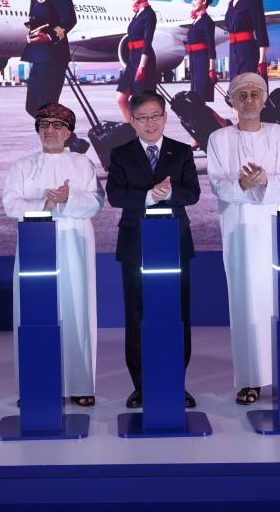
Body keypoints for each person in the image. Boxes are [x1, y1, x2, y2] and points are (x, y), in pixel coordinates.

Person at [207, 73, 280, 405]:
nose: (248, 101)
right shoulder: (219, 139)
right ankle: (249, 379)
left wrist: (264, 181)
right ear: (231, 100)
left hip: (278, 226)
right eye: (241, 95)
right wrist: (243, 186)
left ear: (264, 100)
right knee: (245, 298)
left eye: (254, 95)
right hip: (239, 227)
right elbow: (218, 183)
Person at [2, 102, 105, 406]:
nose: (50, 131)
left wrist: (68, 198)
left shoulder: (82, 164)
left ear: (69, 132)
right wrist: (44, 206)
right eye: (44, 125)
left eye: (57, 126)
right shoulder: (23, 166)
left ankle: (81, 383)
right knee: (34, 312)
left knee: (77, 309)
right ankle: (37, 383)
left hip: (75, 243)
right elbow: (11, 204)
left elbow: (96, 203)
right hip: (36, 246)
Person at [106, 90, 200, 409]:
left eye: (155, 116)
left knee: (178, 315)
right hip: (136, 244)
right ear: (132, 121)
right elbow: (116, 196)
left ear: (165, 117)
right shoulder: (119, 153)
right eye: (142, 117)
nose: (149, 123)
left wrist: (168, 195)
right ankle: (142, 386)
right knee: (137, 317)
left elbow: (192, 194)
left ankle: (176, 381)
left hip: (174, 242)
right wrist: (149, 196)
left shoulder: (182, 151)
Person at [22, 0, 78, 118]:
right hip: (39, 55)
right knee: (32, 106)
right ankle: (71, 138)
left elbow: (69, 19)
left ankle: (64, 140)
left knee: (45, 105)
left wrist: (49, 36)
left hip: (53, 55)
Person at [115, 0, 158, 121]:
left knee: (142, 102)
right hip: (132, 61)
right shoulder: (137, 14)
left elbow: (147, 42)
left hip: (142, 61)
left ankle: (143, 132)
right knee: (121, 98)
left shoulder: (149, 14)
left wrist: (142, 66)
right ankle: (132, 128)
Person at [225, 0, 269, 81]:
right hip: (233, 52)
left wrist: (261, 61)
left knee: (249, 88)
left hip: (248, 51)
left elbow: (261, 30)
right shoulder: (231, 2)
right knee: (236, 90)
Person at [186, 0, 218, 102]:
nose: (192, 2)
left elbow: (211, 46)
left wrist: (211, 69)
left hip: (203, 63)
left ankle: (212, 120)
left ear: (204, 1)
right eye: (192, 0)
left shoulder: (207, 21)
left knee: (200, 96)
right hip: (195, 62)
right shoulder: (195, 21)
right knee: (195, 96)